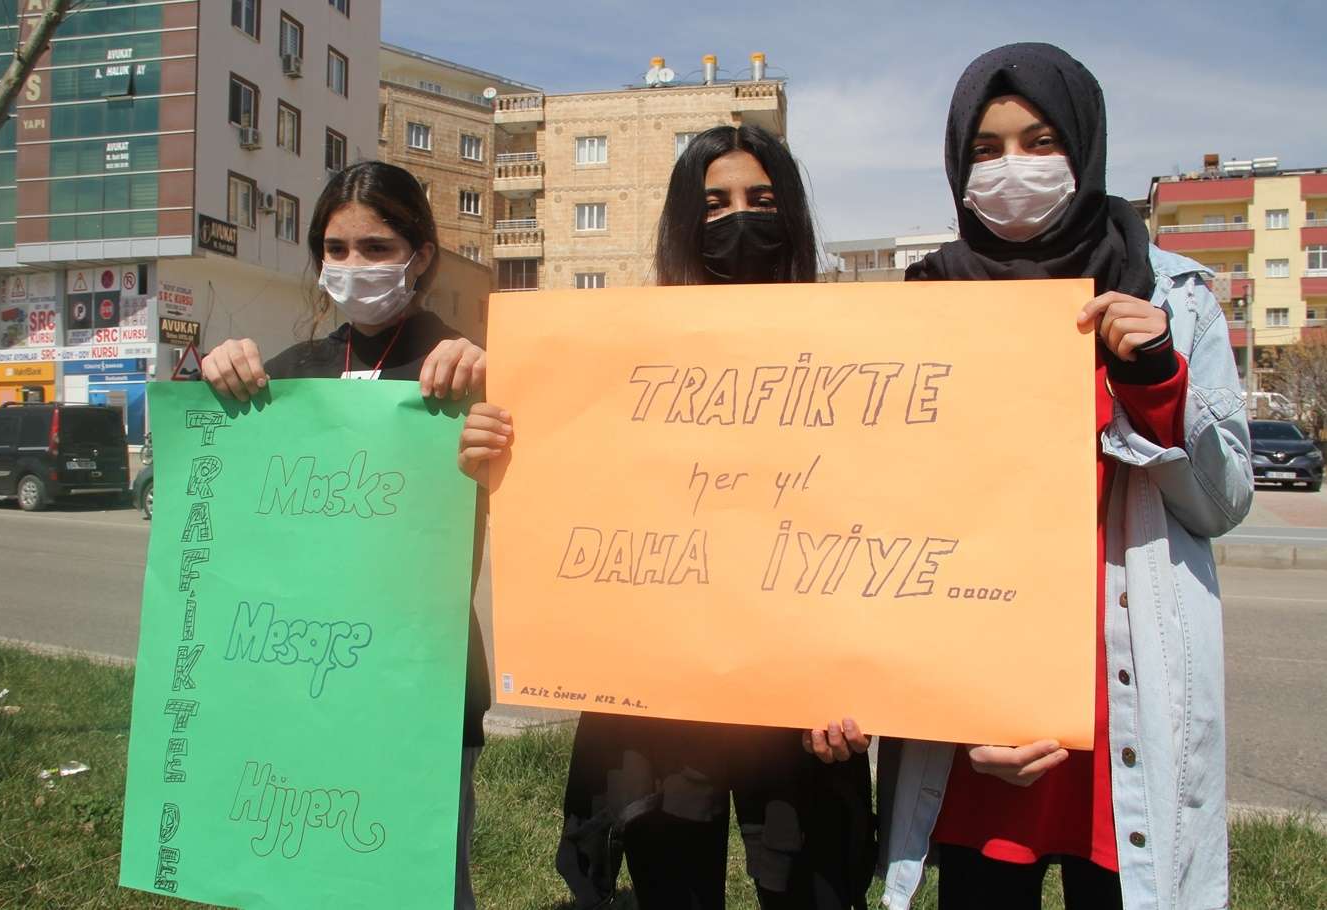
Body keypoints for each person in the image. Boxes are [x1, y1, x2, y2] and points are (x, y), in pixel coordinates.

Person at [809, 43, 1253, 910]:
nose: (1013, 168)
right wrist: (950, 699)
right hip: (976, 725)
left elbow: (1223, 501)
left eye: (1040, 142)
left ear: (1084, 146)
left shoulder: (1174, 299)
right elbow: (880, 520)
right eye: (987, 149)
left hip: (1121, 721)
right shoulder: (922, 308)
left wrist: (1156, 379)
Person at [458, 125, 875, 909]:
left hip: (801, 695)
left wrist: (865, 682)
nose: (739, 219)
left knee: (807, 886)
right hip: (663, 698)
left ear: (792, 215)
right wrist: (499, 443)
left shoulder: (855, 351)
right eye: (715, 204)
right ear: (684, 221)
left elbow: (884, 511)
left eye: (761, 200)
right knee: (670, 888)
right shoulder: (624, 356)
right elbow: (572, 479)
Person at [201, 160, 490, 910]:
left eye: (376, 247)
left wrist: (496, 390)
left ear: (420, 256)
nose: (353, 265)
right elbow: (226, 506)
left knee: (422, 882)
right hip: (300, 678)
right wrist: (217, 385)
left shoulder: (465, 371)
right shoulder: (289, 378)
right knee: (305, 870)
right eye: (336, 248)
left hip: (419, 684)